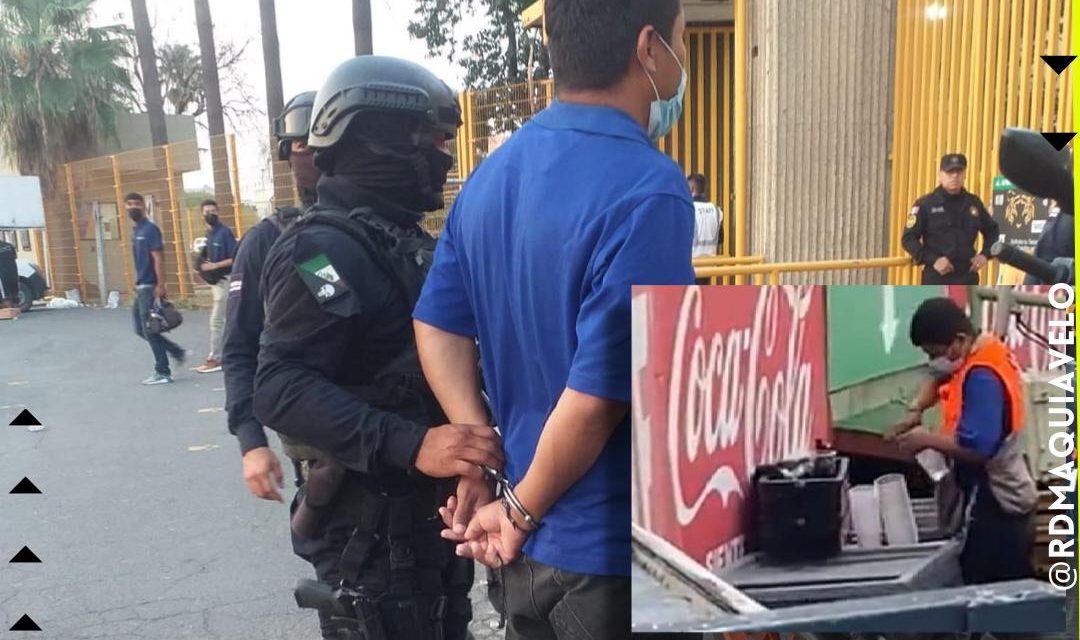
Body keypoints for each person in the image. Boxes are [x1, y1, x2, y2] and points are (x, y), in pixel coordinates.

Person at [413, 0, 695, 636]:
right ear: (649, 48)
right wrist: (519, 510)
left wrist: (482, 448)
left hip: (521, 540)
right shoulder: (648, 188)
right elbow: (599, 399)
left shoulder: (489, 179)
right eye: (683, 39)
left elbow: (437, 324)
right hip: (603, 547)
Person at [252, 56, 500, 640]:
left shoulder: (407, 242)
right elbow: (280, 384)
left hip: (431, 525)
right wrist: (414, 444)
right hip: (370, 535)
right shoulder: (320, 253)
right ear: (379, 139)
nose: (444, 155)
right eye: (433, 139)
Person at [891, 297, 1036, 585]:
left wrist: (925, 439)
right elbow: (937, 378)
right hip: (991, 493)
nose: (934, 361)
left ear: (959, 340)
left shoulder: (982, 377)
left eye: (936, 353)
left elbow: (978, 448)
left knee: (995, 590)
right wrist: (916, 410)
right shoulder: (978, 349)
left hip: (998, 501)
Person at [222, 91, 320, 503]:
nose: (313, 154)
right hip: (322, 447)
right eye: (301, 146)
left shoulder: (391, 236)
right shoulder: (271, 240)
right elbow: (240, 344)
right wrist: (251, 440)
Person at [902, 153, 1000, 284]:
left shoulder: (973, 203)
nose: (954, 176)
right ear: (940, 175)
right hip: (937, 275)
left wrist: (985, 255)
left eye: (959, 171)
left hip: (967, 275)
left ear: (965, 174)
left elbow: (993, 230)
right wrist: (933, 260)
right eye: (950, 172)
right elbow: (908, 239)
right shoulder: (925, 204)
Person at [126, 192, 186, 385]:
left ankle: (163, 371)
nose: (133, 207)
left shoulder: (150, 230)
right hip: (141, 285)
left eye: (137, 203)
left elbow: (158, 258)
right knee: (140, 328)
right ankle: (175, 351)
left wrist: (161, 284)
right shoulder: (137, 231)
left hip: (149, 286)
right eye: (129, 204)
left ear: (144, 206)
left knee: (150, 329)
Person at [193, 199, 237, 374]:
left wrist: (214, 266)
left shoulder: (225, 233)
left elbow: (235, 257)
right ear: (202, 213)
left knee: (217, 321)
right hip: (215, 283)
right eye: (206, 211)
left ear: (218, 212)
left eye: (213, 211)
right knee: (224, 320)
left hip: (225, 280)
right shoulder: (209, 234)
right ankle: (223, 356)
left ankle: (215, 358)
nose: (210, 214)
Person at [688, 172, 722, 255]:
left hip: (691, 264)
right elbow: (720, 239)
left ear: (691, 188)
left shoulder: (688, 209)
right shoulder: (716, 210)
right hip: (711, 264)